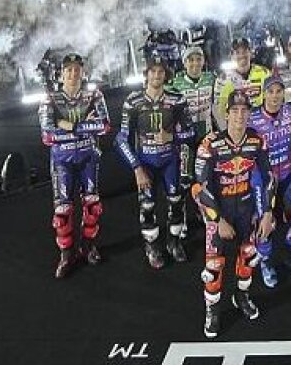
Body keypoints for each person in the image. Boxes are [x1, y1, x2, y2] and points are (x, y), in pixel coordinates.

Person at [193, 91, 275, 339]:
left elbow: (269, 177)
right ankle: (212, 310)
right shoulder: (210, 144)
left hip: (247, 210)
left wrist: (267, 213)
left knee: (248, 256)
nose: (240, 115)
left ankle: (242, 296)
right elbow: (200, 187)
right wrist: (218, 220)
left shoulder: (257, 140)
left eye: (244, 110)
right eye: (235, 111)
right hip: (219, 212)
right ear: (226, 114)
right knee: (214, 266)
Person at [116, 56, 194, 269]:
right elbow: (121, 139)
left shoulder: (177, 98)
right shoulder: (133, 101)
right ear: (146, 74)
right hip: (145, 163)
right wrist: (136, 168)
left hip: (170, 161)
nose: (157, 75)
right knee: (147, 205)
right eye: (153, 71)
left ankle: (174, 242)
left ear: (166, 75)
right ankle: (151, 247)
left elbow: (190, 132)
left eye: (161, 71)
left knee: (176, 201)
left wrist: (171, 137)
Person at [38, 53, 111, 278]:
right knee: (62, 211)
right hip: (62, 161)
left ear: (83, 72)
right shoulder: (50, 98)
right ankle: (66, 254)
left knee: (93, 206)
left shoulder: (94, 94)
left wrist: (69, 125)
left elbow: (105, 126)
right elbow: (47, 135)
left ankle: (88, 246)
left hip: (88, 157)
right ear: (61, 74)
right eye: (68, 70)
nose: (73, 73)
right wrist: (84, 125)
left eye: (76, 69)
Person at [249, 75, 291, 287]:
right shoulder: (252, 118)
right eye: (271, 91)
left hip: (286, 173)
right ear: (263, 94)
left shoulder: (290, 110)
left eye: (278, 91)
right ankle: (266, 263)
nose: (275, 96)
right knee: (265, 224)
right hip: (262, 179)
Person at [167, 45, 215, 239]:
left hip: (206, 134)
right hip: (185, 138)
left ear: (203, 61)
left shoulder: (211, 78)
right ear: (184, 63)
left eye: (198, 59)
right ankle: (182, 219)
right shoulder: (175, 83)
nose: (195, 63)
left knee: (206, 176)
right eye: (191, 60)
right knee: (184, 179)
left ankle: (206, 212)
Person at [212, 37, 270, 130]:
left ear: (251, 53)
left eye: (245, 51)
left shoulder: (264, 73)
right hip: (237, 128)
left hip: (262, 126)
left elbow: (273, 99)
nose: (242, 55)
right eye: (237, 52)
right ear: (231, 56)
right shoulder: (223, 79)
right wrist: (226, 131)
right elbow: (218, 110)